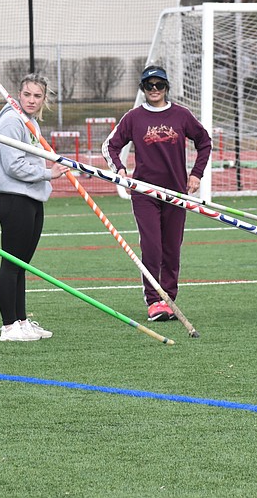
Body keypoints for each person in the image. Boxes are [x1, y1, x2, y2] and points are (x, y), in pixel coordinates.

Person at [104, 65, 212, 322]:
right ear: (142, 89)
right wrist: (120, 170)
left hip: (176, 193)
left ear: (166, 88)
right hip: (144, 193)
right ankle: (154, 301)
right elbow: (111, 145)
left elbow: (204, 141)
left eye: (159, 85)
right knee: (152, 247)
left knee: (172, 248)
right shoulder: (133, 118)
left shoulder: (181, 115)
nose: (154, 90)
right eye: (149, 85)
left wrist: (196, 173)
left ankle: (169, 300)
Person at [0, 73, 68, 342]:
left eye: (37, 96)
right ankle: (9, 326)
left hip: (32, 198)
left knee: (22, 265)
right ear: (18, 94)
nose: (32, 100)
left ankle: (21, 321)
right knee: (11, 264)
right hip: (15, 199)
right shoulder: (12, 121)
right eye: (27, 94)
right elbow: (13, 165)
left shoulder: (30, 122)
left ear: (44, 99)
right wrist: (49, 173)